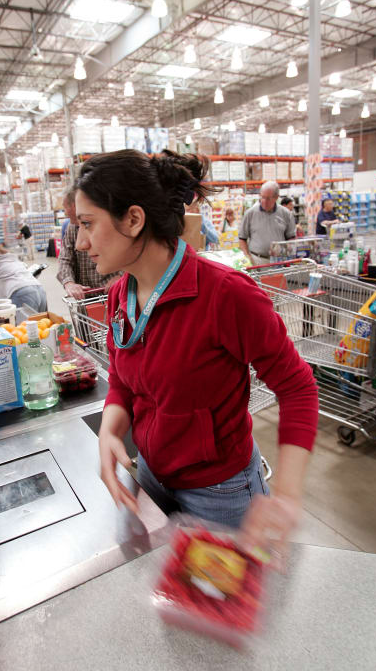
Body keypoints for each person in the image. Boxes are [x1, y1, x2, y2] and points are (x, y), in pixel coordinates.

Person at [74, 148, 318, 559]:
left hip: (221, 495)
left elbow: (297, 388)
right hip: (150, 477)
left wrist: (289, 495)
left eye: (87, 224)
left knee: (228, 610)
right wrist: (110, 430)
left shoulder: (226, 295)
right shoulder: (120, 295)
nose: (81, 242)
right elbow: (121, 380)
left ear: (133, 219)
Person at [57, 186, 120, 300]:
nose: (81, 245)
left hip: (112, 293)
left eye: (65, 207)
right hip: (86, 299)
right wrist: (69, 282)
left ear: (76, 205)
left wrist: (122, 276)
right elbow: (65, 258)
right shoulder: (71, 228)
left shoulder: (111, 225)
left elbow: (126, 252)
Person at [238, 181, 295, 265]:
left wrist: (288, 257)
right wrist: (247, 257)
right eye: (262, 197)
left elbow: (291, 238)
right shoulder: (250, 213)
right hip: (256, 260)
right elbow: (242, 238)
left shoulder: (286, 214)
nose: (264, 201)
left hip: (279, 261)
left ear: (276, 197)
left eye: (268, 198)